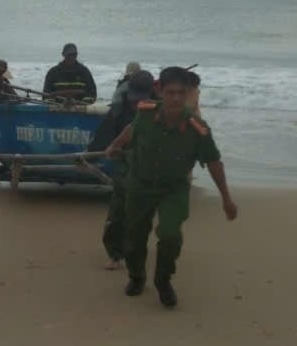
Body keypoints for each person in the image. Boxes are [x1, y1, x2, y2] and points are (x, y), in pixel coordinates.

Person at [105, 66, 238, 308]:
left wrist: (226, 199)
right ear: (159, 91)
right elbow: (131, 130)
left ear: (188, 94)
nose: (176, 98)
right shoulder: (145, 113)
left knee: (170, 234)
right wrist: (115, 145)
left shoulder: (198, 128)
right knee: (134, 238)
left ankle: (163, 280)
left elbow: (213, 162)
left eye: (181, 93)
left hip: (173, 189)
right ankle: (136, 277)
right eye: (170, 92)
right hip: (140, 185)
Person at [88, 70, 155, 270]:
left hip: (151, 166)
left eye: (143, 98)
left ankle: (135, 250)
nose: (138, 103)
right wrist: (94, 151)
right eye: (136, 98)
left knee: (141, 214)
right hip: (125, 163)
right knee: (117, 211)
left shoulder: (163, 108)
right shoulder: (120, 107)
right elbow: (106, 131)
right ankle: (115, 254)